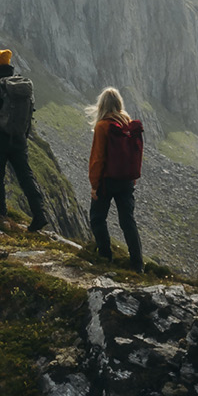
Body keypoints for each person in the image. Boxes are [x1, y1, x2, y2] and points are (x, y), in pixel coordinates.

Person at [0, 49, 48, 231]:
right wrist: (24, 136)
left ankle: (1, 214)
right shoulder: (23, 87)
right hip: (19, 139)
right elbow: (29, 115)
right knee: (26, 177)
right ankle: (40, 215)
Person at [88, 87, 144, 272]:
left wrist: (94, 185)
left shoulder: (103, 126)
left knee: (97, 218)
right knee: (128, 221)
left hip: (107, 181)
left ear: (102, 105)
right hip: (127, 180)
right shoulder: (127, 123)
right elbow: (136, 153)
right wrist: (133, 176)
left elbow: (97, 158)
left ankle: (105, 256)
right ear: (119, 104)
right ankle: (137, 264)